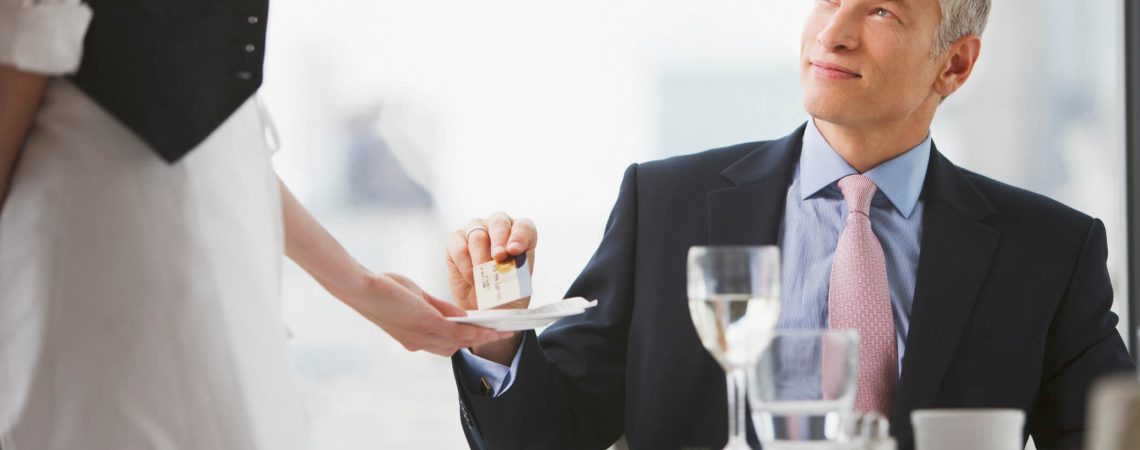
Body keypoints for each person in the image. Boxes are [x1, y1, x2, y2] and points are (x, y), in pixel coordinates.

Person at [443, 0, 1137, 449]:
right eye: (829, 1)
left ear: (954, 63)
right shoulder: (667, 204)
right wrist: (498, 336)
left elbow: (1108, 436)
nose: (833, 34)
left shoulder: (1048, 250)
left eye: (882, 13)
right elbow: (552, 434)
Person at [0, 1, 507, 449]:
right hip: (104, 232)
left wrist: (364, 288)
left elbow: (219, 135)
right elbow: (22, 55)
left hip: (215, 237)